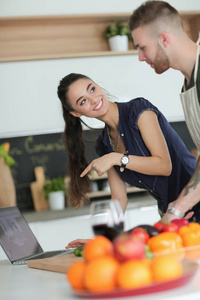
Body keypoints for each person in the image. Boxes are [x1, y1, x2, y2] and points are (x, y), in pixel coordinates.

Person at [57, 73, 196, 226]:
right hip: (172, 215)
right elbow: (119, 198)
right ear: (76, 113)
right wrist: (106, 236)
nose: (94, 99)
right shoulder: (104, 144)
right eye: (83, 101)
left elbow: (164, 166)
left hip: (195, 201)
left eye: (92, 89)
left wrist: (116, 158)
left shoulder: (138, 110)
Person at [128, 0, 200, 222]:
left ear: (164, 39)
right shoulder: (190, 81)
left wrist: (177, 209)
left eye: (142, 47)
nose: (140, 57)